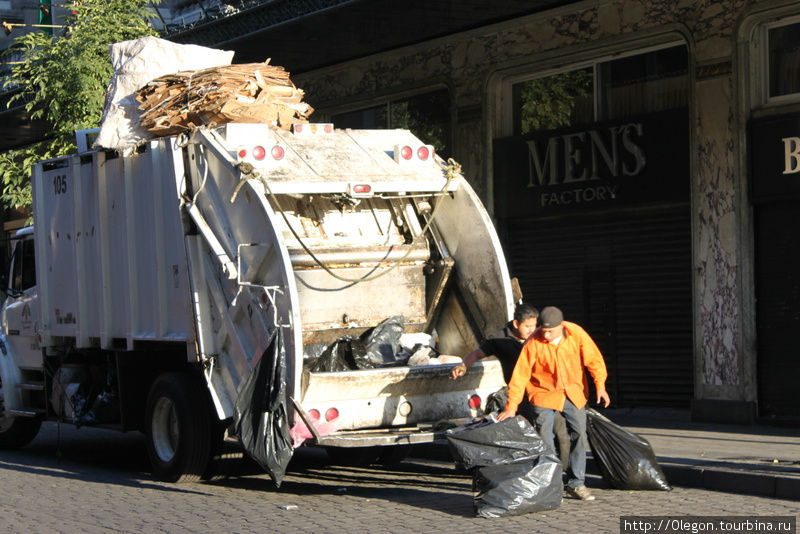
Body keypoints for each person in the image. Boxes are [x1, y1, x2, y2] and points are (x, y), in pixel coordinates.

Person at [498, 306, 610, 501]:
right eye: (544, 331)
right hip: (543, 394)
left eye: (551, 331)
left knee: (579, 434)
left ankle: (576, 483)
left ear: (561, 327)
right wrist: (512, 406)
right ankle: (552, 482)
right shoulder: (534, 341)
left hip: (573, 392)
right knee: (545, 437)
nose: (546, 335)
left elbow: (594, 360)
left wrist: (600, 385)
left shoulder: (575, 333)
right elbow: (520, 375)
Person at [450, 303, 572, 468]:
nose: (532, 330)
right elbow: (477, 353)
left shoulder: (540, 337)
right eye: (527, 326)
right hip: (520, 397)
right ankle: (541, 472)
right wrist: (463, 366)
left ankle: (564, 472)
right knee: (533, 434)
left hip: (546, 393)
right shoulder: (499, 339)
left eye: (534, 325)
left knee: (561, 433)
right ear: (516, 324)